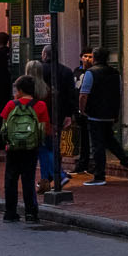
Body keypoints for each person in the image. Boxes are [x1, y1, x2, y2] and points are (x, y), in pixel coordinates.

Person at [0, 76, 47, 224]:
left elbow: (4, 126)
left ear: (19, 90)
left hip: (13, 147)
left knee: (11, 179)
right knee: (29, 179)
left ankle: (10, 212)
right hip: (31, 148)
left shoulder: (11, 105)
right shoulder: (41, 105)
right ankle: (31, 213)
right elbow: (44, 128)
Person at [81, 49, 128, 185]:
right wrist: (116, 113)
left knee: (97, 145)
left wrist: (82, 110)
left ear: (94, 58)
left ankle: (99, 175)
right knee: (110, 140)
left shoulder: (90, 73)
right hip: (110, 113)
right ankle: (126, 161)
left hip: (95, 114)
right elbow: (119, 94)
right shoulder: (116, 74)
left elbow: (84, 94)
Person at [39, 46, 76, 195]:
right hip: (59, 113)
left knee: (45, 147)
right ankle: (47, 179)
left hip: (43, 113)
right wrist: (69, 114)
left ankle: (56, 176)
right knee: (52, 145)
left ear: (44, 55)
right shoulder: (66, 71)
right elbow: (70, 94)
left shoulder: (40, 70)